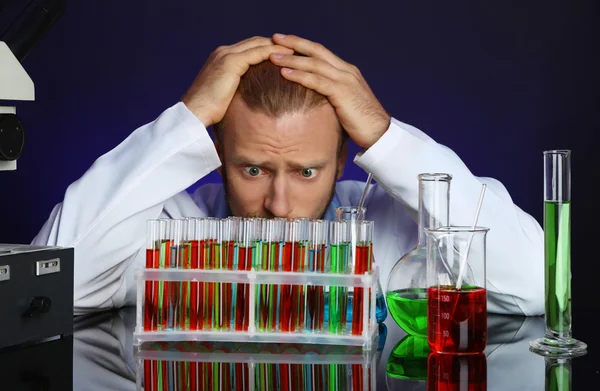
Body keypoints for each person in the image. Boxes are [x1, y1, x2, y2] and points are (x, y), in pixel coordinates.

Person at [32, 34, 544, 316]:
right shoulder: (169, 233)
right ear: (215, 153)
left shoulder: (392, 234)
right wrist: (183, 120)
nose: (279, 204)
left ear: (343, 162)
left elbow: (536, 285)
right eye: (253, 168)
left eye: (306, 171)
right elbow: (50, 292)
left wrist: (389, 139)